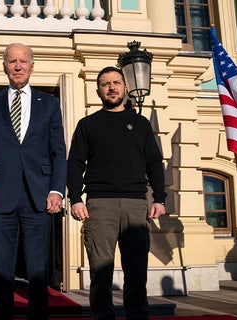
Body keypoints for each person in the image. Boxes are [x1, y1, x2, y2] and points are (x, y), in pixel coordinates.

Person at [0, 43, 67, 320]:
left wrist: (57, 190)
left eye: (23, 61)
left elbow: (58, 152)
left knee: (37, 270)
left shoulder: (49, 104)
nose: (18, 66)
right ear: (5, 66)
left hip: (40, 196)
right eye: (12, 61)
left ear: (32, 66)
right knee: (1, 269)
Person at [67, 66, 166, 320]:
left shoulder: (141, 124)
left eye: (116, 82)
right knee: (100, 273)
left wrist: (160, 198)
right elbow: (75, 163)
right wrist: (76, 199)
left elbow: (154, 162)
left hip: (136, 205)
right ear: (98, 90)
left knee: (137, 273)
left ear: (124, 87)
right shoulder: (88, 124)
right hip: (100, 206)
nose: (111, 87)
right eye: (105, 84)